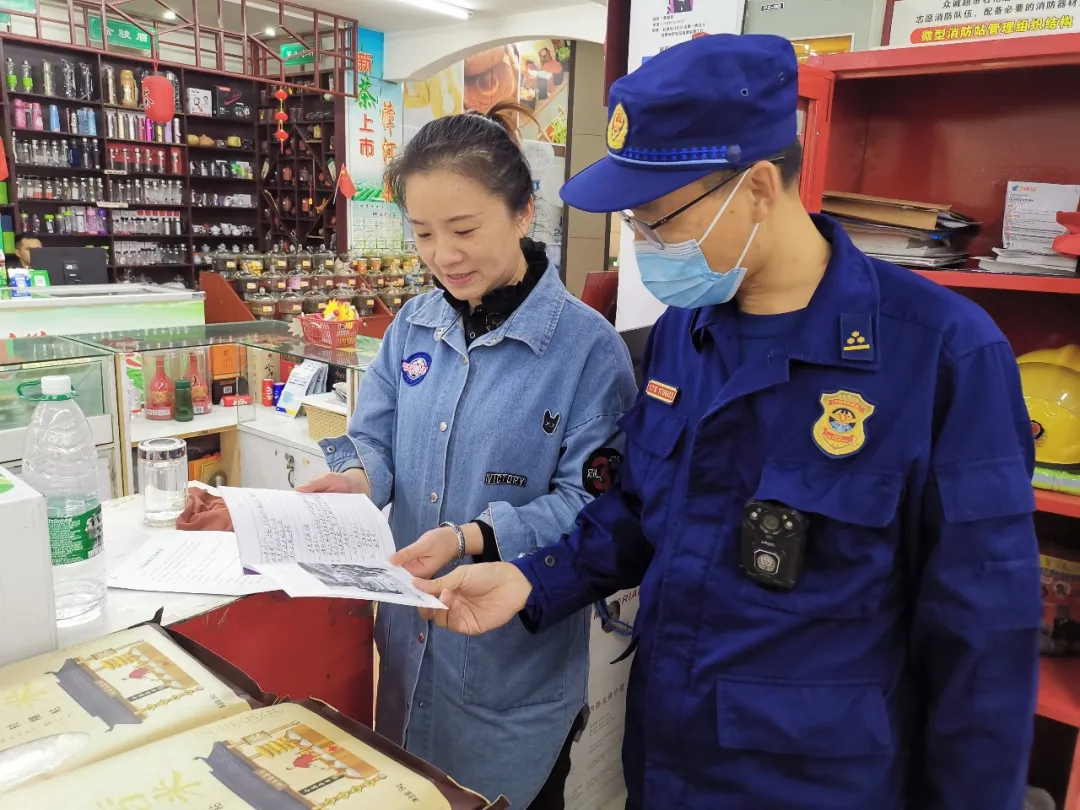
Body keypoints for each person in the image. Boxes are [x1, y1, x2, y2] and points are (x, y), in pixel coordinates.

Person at [412, 34, 1043, 810]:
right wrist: (528, 578)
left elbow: (983, 648)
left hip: (820, 784)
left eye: (656, 219)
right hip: (670, 761)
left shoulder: (942, 357)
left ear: (756, 190)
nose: (642, 245)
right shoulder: (690, 330)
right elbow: (641, 512)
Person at [300, 102, 637, 809]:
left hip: (513, 678)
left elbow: (593, 505)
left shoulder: (587, 352)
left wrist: (475, 537)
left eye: (464, 229)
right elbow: (376, 438)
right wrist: (358, 477)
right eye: (422, 233)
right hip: (407, 652)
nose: (442, 256)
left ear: (522, 213)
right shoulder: (412, 328)